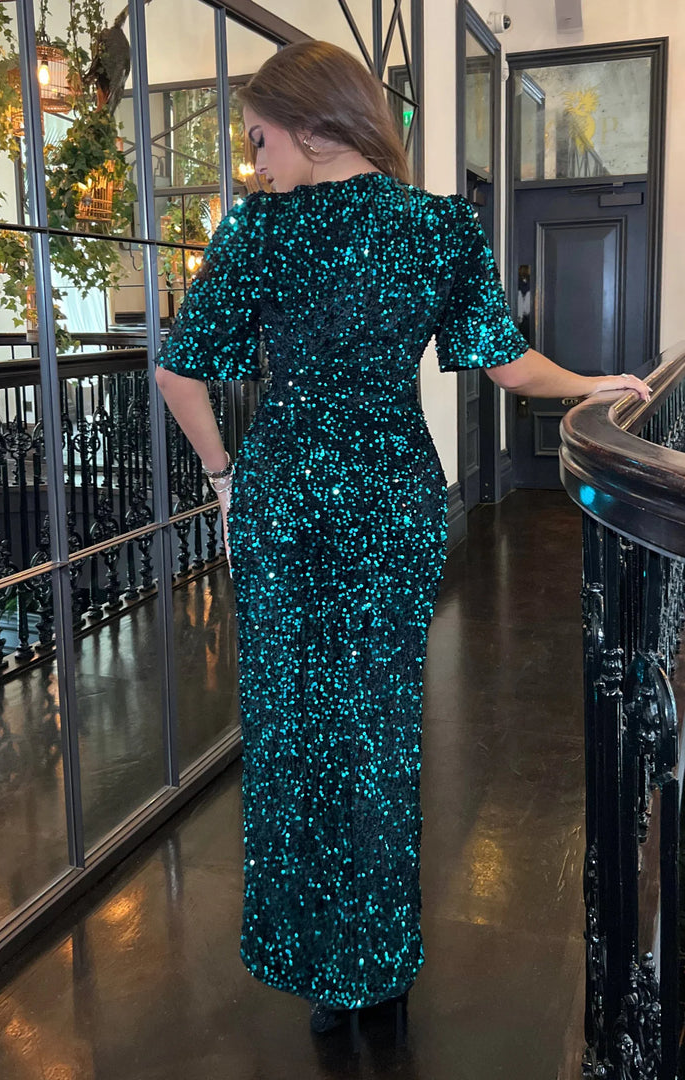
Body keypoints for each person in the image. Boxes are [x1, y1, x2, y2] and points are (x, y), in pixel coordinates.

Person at [154, 40, 651, 1050]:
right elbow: (507, 365)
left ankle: (320, 966)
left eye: (260, 139)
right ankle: (379, 959)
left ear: (313, 126)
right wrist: (595, 382)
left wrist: (224, 477)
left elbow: (179, 371)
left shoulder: (258, 233)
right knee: (379, 730)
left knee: (293, 730)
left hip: (286, 500)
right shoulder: (438, 226)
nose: (255, 161)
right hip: (390, 496)